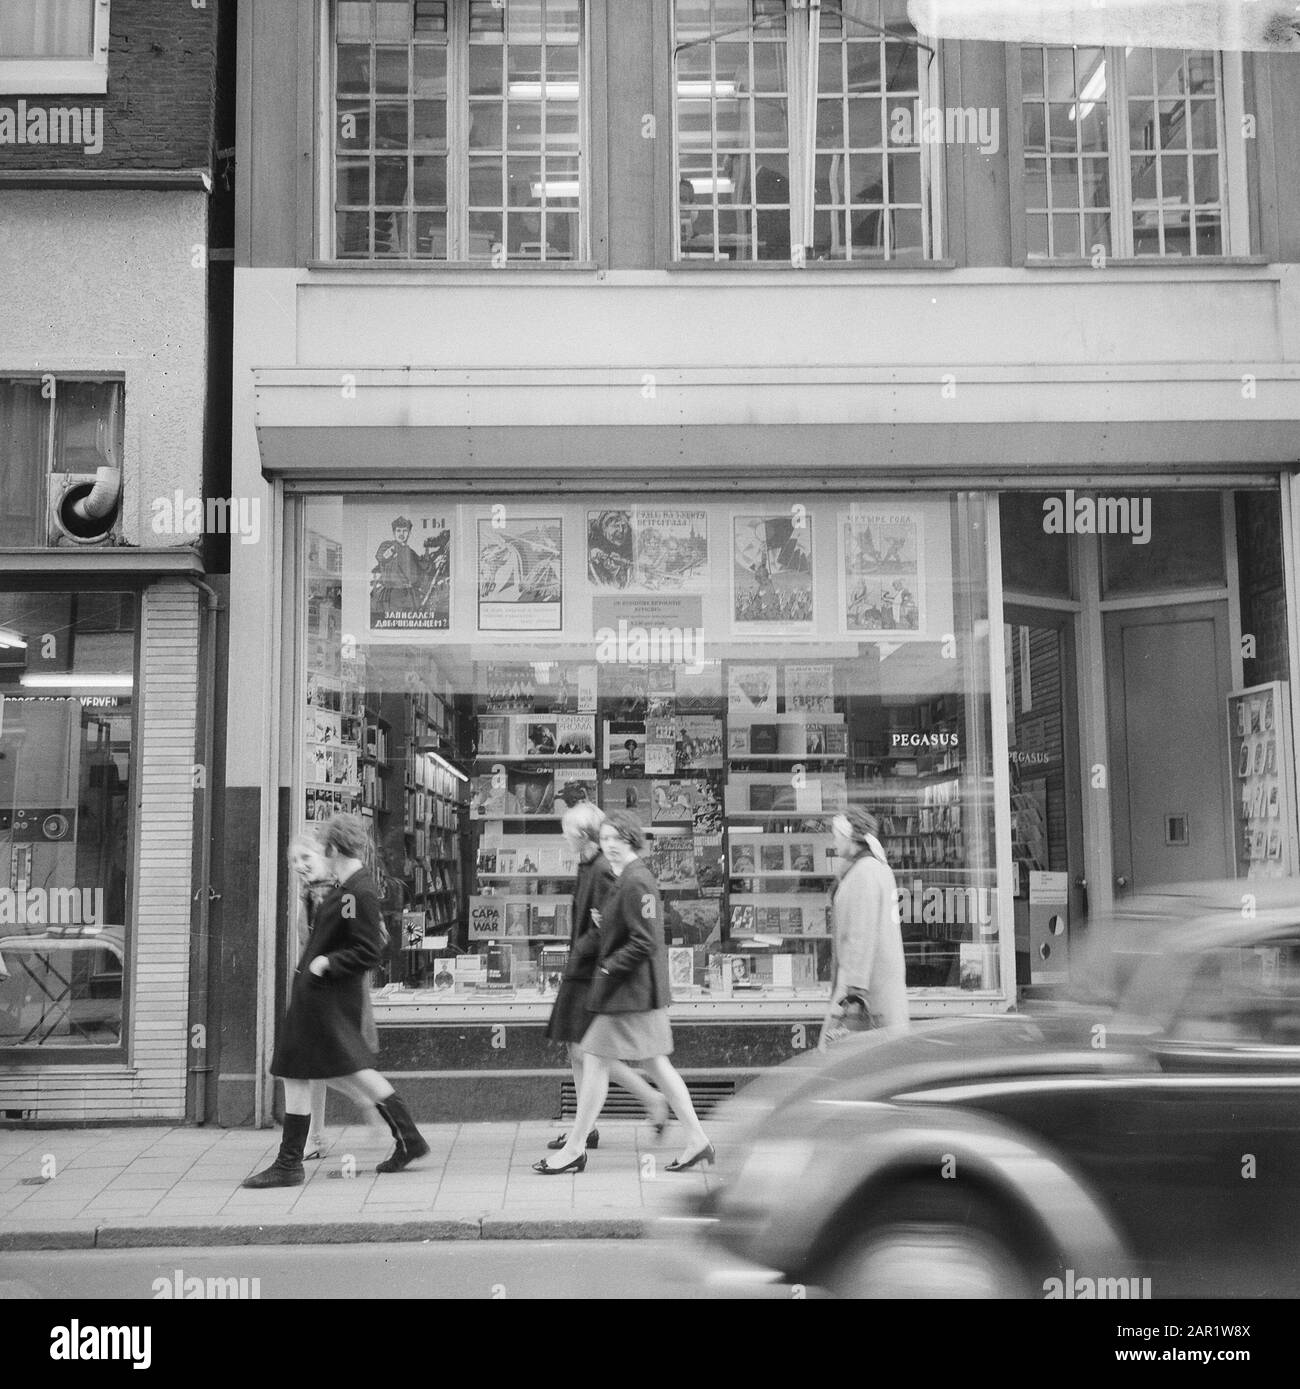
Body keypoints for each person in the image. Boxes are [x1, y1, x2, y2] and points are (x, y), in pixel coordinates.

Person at [242, 813, 430, 1188]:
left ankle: (290, 1163)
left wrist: (328, 962)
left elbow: (369, 949)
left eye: (320, 850)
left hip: (325, 997)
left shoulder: (356, 892)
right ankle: (408, 1140)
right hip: (323, 996)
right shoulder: (348, 889)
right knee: (334, 1070)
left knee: (308, 1071)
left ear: (332, 848)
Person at [534, 811, 712, 1175]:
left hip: (631, 994)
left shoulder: (637, 881)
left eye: (617, 839)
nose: (610, 845)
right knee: (649, 1065)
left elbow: (645, 941)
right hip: (631, 993)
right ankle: (696, 1139)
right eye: (606, 838)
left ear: (632, 839)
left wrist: (606, 966)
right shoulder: (623, 878)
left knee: (600, 1060)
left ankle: (575, 1148)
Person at [543, 805, 670, 1153]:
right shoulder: (589, 865)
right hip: (584, 966)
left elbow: (607, 926)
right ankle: (588, 1127)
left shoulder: (600, 870)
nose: (565, 837)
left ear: (581, 835)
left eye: (568, 831)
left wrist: (581, 954)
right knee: (579, 1048)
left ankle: (648, 1101)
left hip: (590, 969)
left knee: (590, 1050)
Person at [286, 830, 381, 1160]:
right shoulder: (311, 893)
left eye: (306, 858)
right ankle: (317, 1136)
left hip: (333, 990)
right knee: (311, 1065)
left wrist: (330, 963)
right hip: (317, 988)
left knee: (315, 1064)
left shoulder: (343, 895)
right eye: (294, 860)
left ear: (325, 857)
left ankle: (364, 1101)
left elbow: (365, 938)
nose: (299, 865)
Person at [818, 808, 909, 1053]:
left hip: (865, 996)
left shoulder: (864, 873)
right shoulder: (876, 868)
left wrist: (854, 996)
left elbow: (860, 935)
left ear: (851, 837)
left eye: (837, 835)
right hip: (877, 991)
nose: (834, 840)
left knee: (844, 1061)